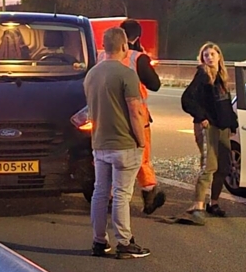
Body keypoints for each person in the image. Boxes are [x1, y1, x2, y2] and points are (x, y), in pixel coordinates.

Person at [84, 27, 150, 259]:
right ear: (124, 46)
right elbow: (135, 111)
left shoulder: (91, 75)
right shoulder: (127, 74)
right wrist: (141, 141)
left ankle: (99, 241)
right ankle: (124, 242)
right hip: (124, 144)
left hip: (99, 143)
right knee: (122, 194)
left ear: (104, 47)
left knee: (100, 192)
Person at [93, 18, 166, 215]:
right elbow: (155, 85)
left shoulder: (101, 57)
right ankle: (149, 195)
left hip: (105, 116)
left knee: (107, 158)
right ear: (136, 37)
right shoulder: (138, 58)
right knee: (141, 156)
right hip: (135, 116)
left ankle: (106, 198)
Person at [180, 42, 238, 225]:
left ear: (219, 56)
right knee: (209, 166)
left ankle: (214, 203)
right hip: (208, 127)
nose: (209, 58)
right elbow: (187, 99)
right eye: (206, 55)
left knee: (224, 167)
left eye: (212, 54)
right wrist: (201, 117)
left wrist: (232, 124)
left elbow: (225, 103)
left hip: (223, 127)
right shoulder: (203, 75)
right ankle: (198, 206)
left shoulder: (222, 77)